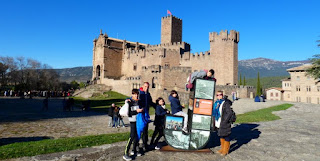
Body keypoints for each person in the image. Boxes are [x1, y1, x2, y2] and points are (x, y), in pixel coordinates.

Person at [123, 89, 144, 161]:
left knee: (137, 136)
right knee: (132, 136)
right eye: (135, 94)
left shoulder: (138, 101)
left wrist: (141, 110)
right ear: (132, 94)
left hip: (138, 120)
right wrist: (136, 111)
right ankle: (125, 153)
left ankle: (134, 150)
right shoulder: (129, 102)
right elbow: (129, 113)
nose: (136, 95)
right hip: (132, 121)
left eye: (137, 94)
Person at [212, 91, 232, 156]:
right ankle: (222, 149)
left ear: (222, 95)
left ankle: (226, 150)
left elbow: (229, 113)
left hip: (224, 122)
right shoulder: (217, 103)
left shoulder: (225, 103)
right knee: (221, 135)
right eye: (217, 95)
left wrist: (224, 121)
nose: (219, 96)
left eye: (220, 95)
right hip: (218, 122)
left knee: (226, 135)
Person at [138, 82, 155, 151]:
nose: (146, 88)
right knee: (139, 130)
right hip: (140, 114)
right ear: (142, 86)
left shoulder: (148, 94)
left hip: (146, 114)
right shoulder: (139, 93)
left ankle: (145, 144)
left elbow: (150, 102)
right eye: (145, 86)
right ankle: (136, 146)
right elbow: (133, 98)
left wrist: (157, 106)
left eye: (147, 87)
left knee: (145, 130)